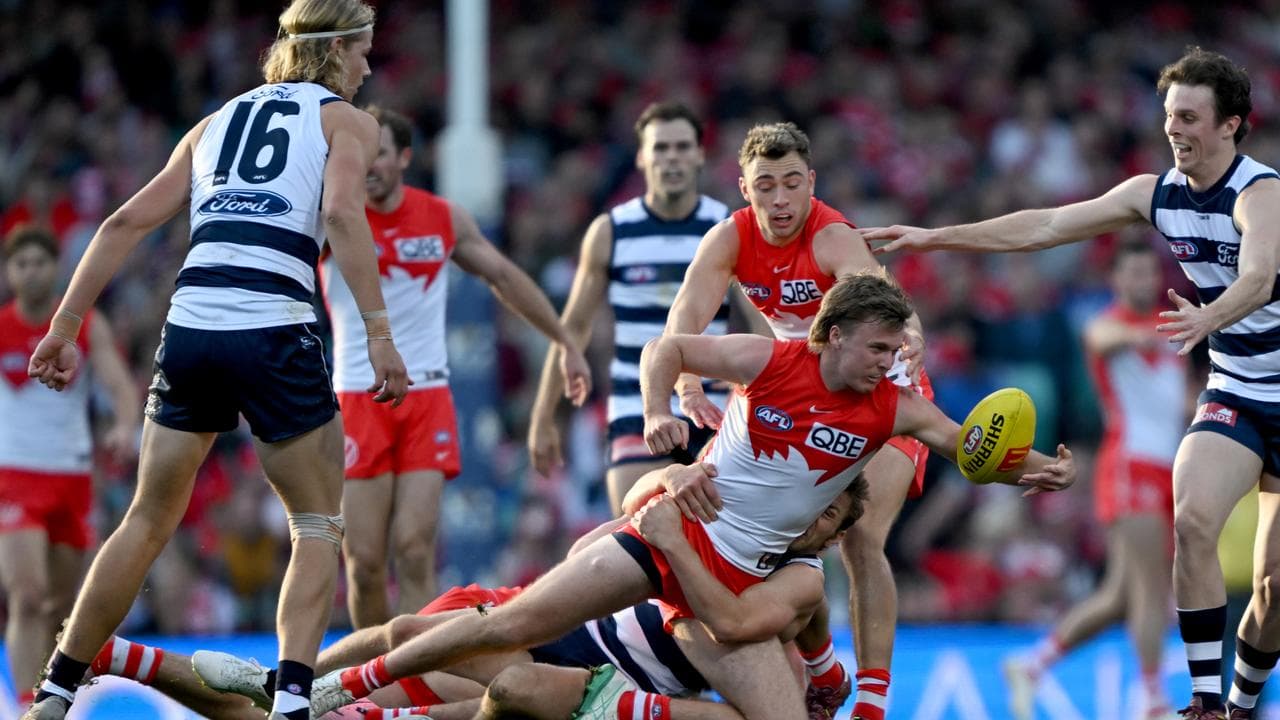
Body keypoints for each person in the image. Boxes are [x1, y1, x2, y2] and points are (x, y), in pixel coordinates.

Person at [297, 272, 1074, 720]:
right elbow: (664, 348)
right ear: (834, 335)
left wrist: (1033, 467)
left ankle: (828, 675)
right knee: (509, 621)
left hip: (734, 581)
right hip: (672, 532)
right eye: (878, 346)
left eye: (894, 351)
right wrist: (662, 411)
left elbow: (967, 445)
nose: (889, 363)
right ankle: (342, 688)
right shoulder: (770, 360)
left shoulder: (893, 407)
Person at [865, 46, 1280, 720]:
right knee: (1195, 520)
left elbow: (1260, 275)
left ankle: (1241, 703)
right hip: (1234, 390)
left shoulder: (1262, 193)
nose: (1174, 129)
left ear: (1232, 124)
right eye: (1169, 115)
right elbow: (1047, 226)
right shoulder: (1154, 194)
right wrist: (934, 237)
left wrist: (1210, 315)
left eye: (1190, 117)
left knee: (1272, 587)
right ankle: (1205, 702)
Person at [22, 2, 411, 718]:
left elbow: (123, 221)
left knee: (145, 517)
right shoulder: (347, 122)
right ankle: (293, 701)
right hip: (273, 327)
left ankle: (53, 692)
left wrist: (64, 326)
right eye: (363, 52)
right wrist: (381, 334)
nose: (367, 67)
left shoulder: (215, 122)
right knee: (317, 523)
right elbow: (343, 215)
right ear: (336, 52)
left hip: (191, 326)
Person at [115, 470, 869, 720]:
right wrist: (660, 494)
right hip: (567, 629)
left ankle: (140, 661)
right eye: (819, 499)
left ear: (834, 532)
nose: (818, 514)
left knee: (508, 685)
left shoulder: (797, 581)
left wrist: (842, 679)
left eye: (834, 512)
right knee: (404, 627)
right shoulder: (730, 504)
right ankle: (293, 687)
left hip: (594, 675)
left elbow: (737, 619)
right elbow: (630, 511)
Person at [663, 121, 929, 720]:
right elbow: (685, 317)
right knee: (770, 540)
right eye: (765, 188)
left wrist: (910, 337)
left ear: (811, 182)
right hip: (794, 395)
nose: (780, 201)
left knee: (860, 536)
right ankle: (822, 670)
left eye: (791, 184)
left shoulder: (832, 236)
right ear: (744, 189)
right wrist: (685, 383)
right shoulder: (728, 240)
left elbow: (885, 300)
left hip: (877, 396)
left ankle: (872, 700)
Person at [322, 105, 591, 627]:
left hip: (427, 396)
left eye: (378, 154)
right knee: (364, 565)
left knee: (416, 549)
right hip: (359, 397)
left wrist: (564, 340)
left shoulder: (441, 218)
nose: (367, 166)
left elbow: (504, 277)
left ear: (403, 157)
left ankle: (411, 680)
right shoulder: (332, 214)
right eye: (358, 157)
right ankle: (368, 679)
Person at [1002, 240, 1190, 719]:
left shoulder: (1175, 331)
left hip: (1165, 467)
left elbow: (1177, 402)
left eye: (1150, 275)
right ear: (1118, 281)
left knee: (1120, 596)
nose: (1143, 283)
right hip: (1129, 466)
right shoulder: (1112, 325)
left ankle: (1031, 664)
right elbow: (1100, 338)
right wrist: (1145, 335)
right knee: (1151, 588)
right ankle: (1153, 700)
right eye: (1134, 275)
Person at [527, 101, 738, 513]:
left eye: (682, 147)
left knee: (724, 548)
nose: (671, 157)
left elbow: (762, 321)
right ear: (642, 157)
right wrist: (543, 416)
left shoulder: (728, 228)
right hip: (636, 405)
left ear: (699, 154)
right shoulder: (612, 232)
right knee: (635, 531)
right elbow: (572, 330)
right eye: (660, 148)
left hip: (716, 408)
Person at [0, 226, 139, 709]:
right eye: (22, 264)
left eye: (40, 262)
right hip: (14, 476)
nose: (31, 271)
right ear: (8, 273)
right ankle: (21, 705)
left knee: (61, 607)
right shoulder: (0, 328)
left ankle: (46, 701)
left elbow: (120, 386)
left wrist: (125, 426)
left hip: (72, 477)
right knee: (28, 595)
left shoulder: (83, 324)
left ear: (56, 269)